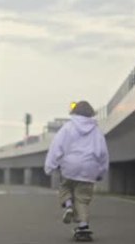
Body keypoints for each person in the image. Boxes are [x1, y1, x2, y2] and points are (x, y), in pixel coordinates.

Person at [44, 100, 109, 233]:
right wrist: (101, 172)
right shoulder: (96, 131)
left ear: (74, 112)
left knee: (65, 186)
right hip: (89, 168)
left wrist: (50, 165)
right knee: (82, 199)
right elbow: (103, 152)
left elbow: (56, 146)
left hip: (70, 166)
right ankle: (83, 226)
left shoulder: (68, 127)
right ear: (91, 113)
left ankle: (68, 205)